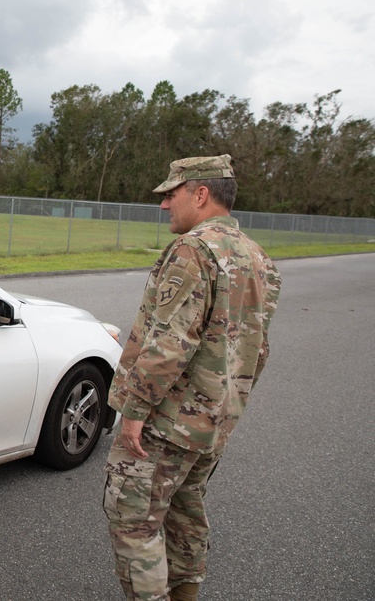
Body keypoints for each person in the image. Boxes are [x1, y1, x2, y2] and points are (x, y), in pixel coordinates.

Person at [102, 155, 282, 601]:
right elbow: (255, 351)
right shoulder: (257, 256)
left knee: (132, 518)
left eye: (171, 193)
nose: (164, 204)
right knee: (185, 513)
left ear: (200, 194)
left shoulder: (194, 250)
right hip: (213, 422)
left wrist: (134, 413)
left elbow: (169, 343)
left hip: (168, 422)